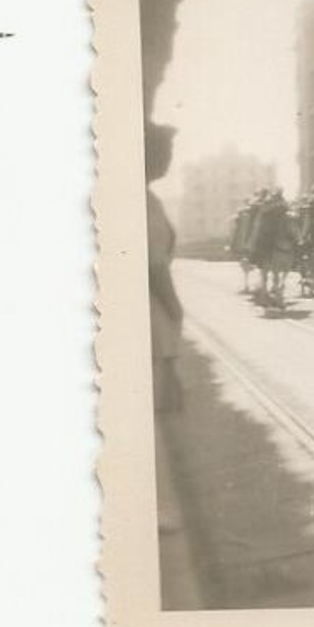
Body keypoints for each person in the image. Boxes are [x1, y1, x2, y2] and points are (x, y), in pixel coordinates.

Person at [145, 122, 183, 413]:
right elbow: (155, 264)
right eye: (164, 150)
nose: (168, 158)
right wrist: (174, 305)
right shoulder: (143, 202)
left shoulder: (150, 198)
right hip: (152, 306)